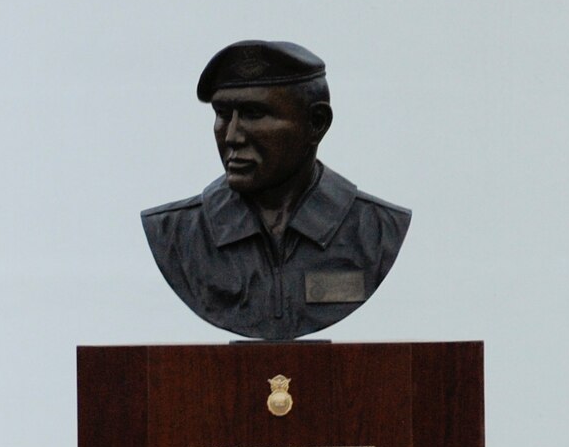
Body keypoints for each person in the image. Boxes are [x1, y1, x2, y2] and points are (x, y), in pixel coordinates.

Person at [142, 39, 410, 340]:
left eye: (254, 114)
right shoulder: (174, 235)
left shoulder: (378, 231)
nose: (232, 136)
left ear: (316, 124)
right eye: (222, 114)